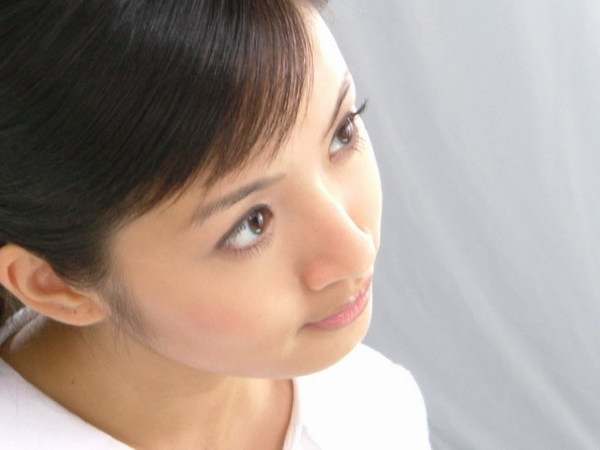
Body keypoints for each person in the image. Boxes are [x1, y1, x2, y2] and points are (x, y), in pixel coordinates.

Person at [0, 0, 430, 448]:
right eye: (251, 224)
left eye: (343, 133)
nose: (356, 250)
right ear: (55, 283)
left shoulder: (377, 407)